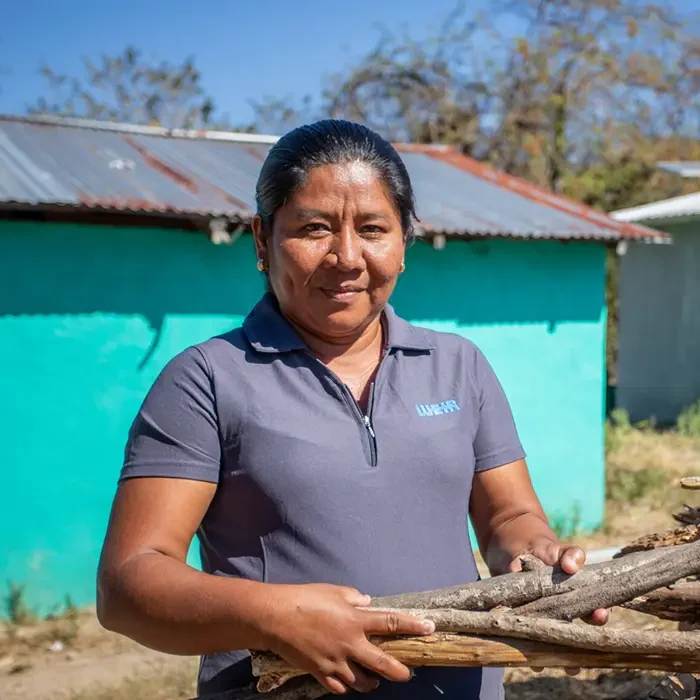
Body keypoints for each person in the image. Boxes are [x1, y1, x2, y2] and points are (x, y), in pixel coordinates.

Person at [97, 119, 607, 699]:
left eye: (372, 229)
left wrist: (536, 561)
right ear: (262, 241)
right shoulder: (207, 380)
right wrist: (278, 616)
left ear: (404, 242)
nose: (346, 257)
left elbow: (507, 520)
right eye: (314, 228)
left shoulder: (459, 366)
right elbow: (128, 583)